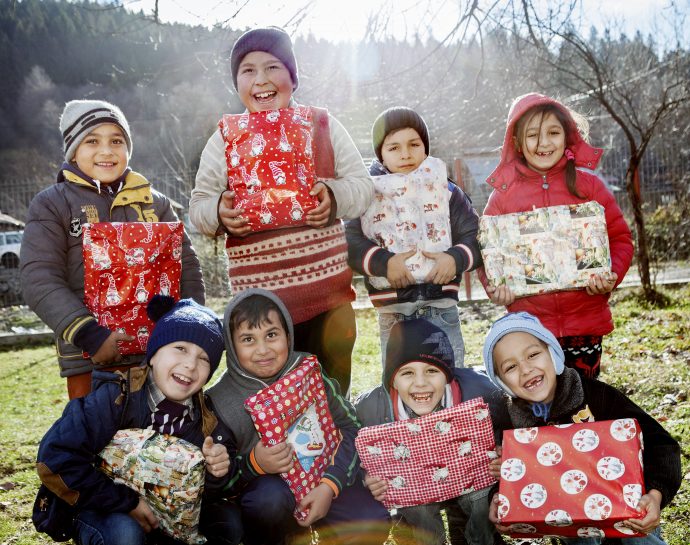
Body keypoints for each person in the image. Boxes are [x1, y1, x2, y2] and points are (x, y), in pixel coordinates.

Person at [189, 27, 373, 395]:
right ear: (237, 83)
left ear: (292, 76)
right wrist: (219, 214)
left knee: (332, 398)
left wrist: (333, 196)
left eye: (273, 67)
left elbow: (363, 187)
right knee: (273, 405)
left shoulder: (321, 124)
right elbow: (198, 207)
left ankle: (337, 451)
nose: (261, 80)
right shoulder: (226, 138)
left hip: (328, 305)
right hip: (260, 316)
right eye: (248, 70)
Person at [20, 99, 205, 399]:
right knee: (94, 437)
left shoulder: (154, 203)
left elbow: (187, 266)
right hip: (89, 357)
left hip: (160, 354)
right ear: (73, 150)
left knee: (166, 438)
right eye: (92, 140)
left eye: (116, 140)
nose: (106, 150)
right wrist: (90, 335)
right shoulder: (53, 204)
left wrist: (189, 325)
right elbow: (38, 278)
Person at [33, 296, 242, 545]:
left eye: (204, 358)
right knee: (125, 535)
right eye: (180, 348)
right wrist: (127, 502)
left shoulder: (205, 420)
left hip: (168, 520)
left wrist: (216, 470)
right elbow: (55, 456)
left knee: (230, 523)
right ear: (153, 354)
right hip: (103, 508)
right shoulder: (115, 399)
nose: (190, 364)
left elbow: (207, 494)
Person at [205, 288, 390, 545]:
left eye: (271, 335)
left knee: (370, 519)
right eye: (248, 339)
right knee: (266, 502)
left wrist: (330, 486)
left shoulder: (308, 369)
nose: (263, 350)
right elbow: (219, 483)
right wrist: (255, 463)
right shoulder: (221, 400)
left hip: (327, 476)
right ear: (231, 345)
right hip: (272, 493)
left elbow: (352, 427)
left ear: (288, 334)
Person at [482, 311, 682, 544]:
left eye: (533, 354)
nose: (525, 369)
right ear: (502, 382)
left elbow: (661, 444)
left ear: (553, 354)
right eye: (510, 367)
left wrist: (655, 496)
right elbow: (505, 478)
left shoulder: (599, 397)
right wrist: (499, 497)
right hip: (569, 520)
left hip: (628, 514)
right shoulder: (510, 425)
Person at [480, 92, 634, 379]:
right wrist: (495, 286)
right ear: (516, 141)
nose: (543, 142)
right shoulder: (502, 198)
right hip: (530, 327)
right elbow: (488, 254)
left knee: (582, 406)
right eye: (533, 134)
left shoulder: (589, 187)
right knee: (540, 406)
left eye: (553, 132)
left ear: (567, 135)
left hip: (584, 323)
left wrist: (610, 273)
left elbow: (620, 238)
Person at [345, 107, 481, 367]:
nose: (405, 154)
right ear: (380, 154)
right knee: (400, 383)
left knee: (450, 380)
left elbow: (474, 235)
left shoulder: (447, 190)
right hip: (393, 313)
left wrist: (455, 259)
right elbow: (349, 241)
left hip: (442, 309)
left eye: (414, 144)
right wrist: (383, 263)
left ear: (425, 148)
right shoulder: (367, 194)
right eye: (394, 147)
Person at [355, 318, 510, 545]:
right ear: (393, 381)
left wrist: (505, 452)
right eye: (407, 373)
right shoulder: (371, 410)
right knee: (417, 510)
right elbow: (353, 451)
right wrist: (367, 477)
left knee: (481, 497)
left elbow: (511, 423)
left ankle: (481, 537)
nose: (420, 383)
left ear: (447, 376)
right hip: (416, 486)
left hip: (470, 477)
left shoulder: (482, 392)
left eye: (431, 371)